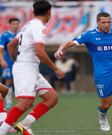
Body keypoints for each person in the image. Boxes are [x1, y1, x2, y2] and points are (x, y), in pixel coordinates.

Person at [0, 1, 64, 135]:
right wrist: (55, 68)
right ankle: (2, 130)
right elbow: (39, 51)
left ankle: (24, 125)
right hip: (26, 68)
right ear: (49, 13)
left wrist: (16, 60)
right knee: (25, 102)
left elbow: (11, 45)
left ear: (34, 12)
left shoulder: (28, 24)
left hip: (29, 67)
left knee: (52, 98)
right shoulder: (38, 26)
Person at [0, 18, 20, 109]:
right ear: (9, 24)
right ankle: (8, 101)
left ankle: (18, 99)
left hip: (18, 62)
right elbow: (1, 50)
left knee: (16, 81)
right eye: (14, 24)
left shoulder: (19, 35)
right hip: (8, 61)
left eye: (17, 24)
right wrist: (2, 60)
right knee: (8, 80)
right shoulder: (4, 35)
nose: (15, 25)